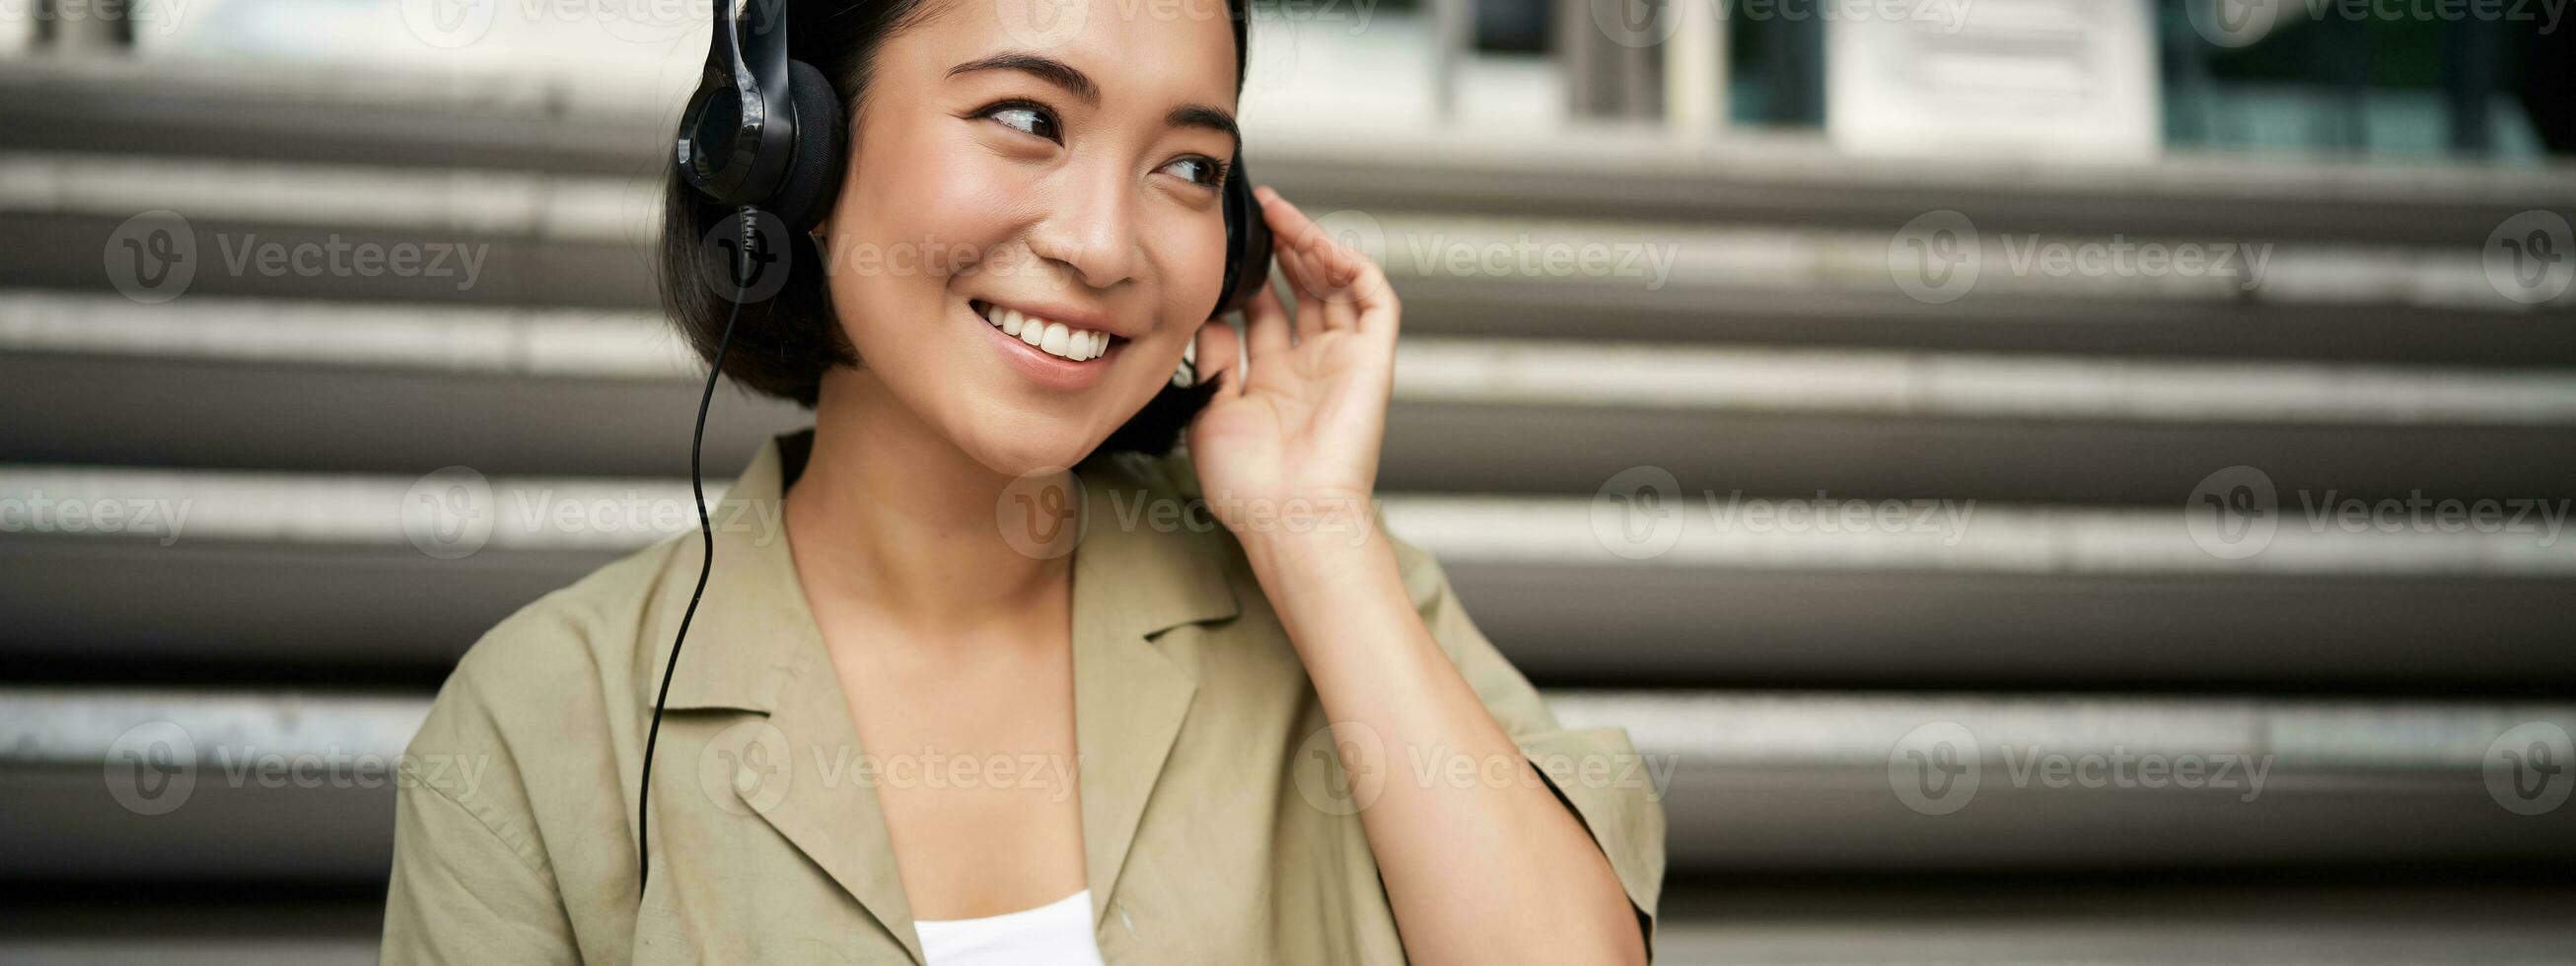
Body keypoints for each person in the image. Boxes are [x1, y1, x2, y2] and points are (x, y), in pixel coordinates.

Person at [379, 2, 1663, 962]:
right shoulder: (540, 727)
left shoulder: (1343, 610)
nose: (1106, 245)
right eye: (1028, 119)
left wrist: (1314, 531)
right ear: (791, 157)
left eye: (1188, 167)